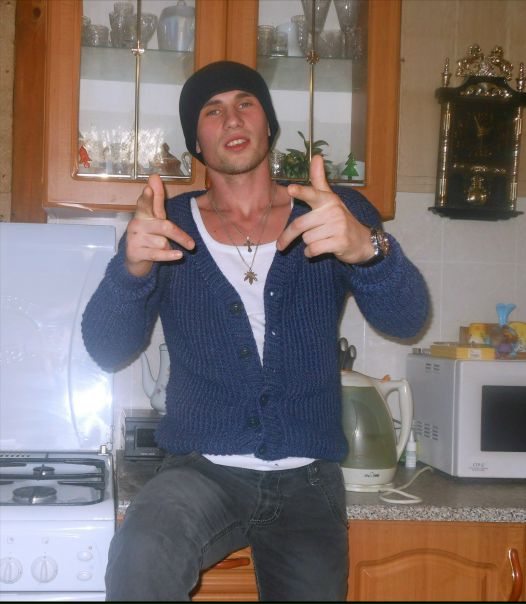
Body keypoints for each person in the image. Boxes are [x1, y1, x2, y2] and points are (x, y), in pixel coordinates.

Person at [82, 60, 430, 602]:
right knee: (142, 552)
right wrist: (131, 272)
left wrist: (369, 250)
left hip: (309, 478)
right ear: (195, 142)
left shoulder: (331, 212)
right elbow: (107, 349)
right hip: (200, 472)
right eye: (212, 110)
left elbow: (408, 320)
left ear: (268, 123)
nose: (232, 119)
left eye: (245, 103)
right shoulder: (164, 227)